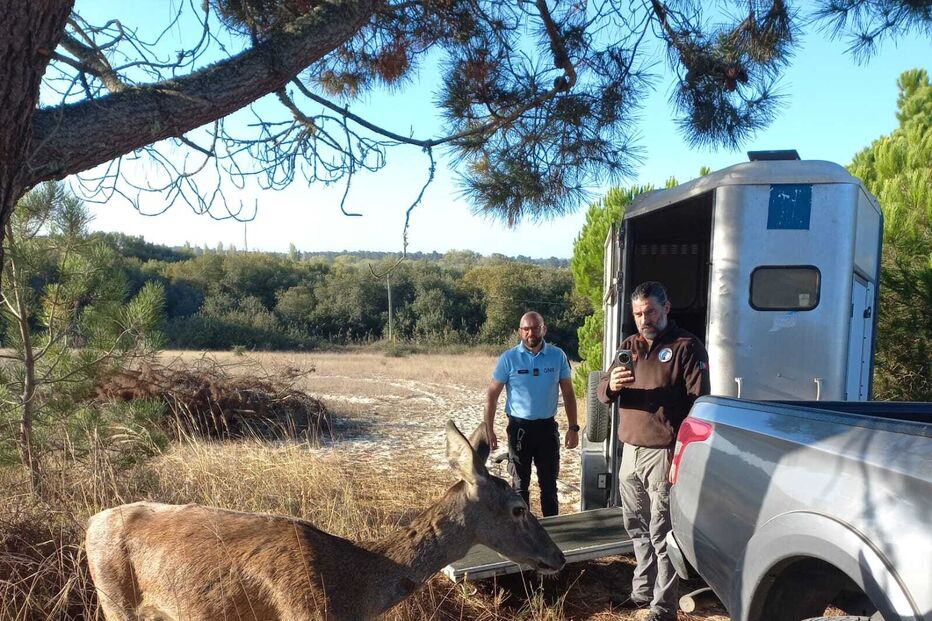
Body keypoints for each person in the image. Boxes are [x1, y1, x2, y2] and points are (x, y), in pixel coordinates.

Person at [598, 281, 710, 621]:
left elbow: (701, 402)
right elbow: (603, 393)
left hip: (662, 453)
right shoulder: (628, 346)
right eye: (637, 313)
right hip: (629, 450)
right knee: (635, 526)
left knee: (662, 531)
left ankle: (662, 608)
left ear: (666, 308)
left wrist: (683, 453)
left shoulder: (685, 347)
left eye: (649, 311)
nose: (643, 318)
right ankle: (641, 592)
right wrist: (611, 385)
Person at [485, 311, 579, 517]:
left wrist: (573, 428)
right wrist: (489, 430)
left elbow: (569, 394)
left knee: (549, 486)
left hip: (547, 429)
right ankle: (523, 535)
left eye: (535, 327)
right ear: (520, 331)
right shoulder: (509, 358)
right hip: (519, 430)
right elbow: (492, 395)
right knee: (519, 487)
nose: (531, 333)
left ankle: (553, 533)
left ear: (543, 329)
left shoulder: (557, 356)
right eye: (526, 329)